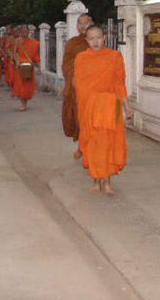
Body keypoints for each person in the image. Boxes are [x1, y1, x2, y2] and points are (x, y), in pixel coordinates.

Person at [75, 25, 133, 195]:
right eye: (91, 38)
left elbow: (119, 82)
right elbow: (79, 87)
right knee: (93, 143)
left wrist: (126, 105)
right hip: (90, 107)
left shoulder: (114, 56)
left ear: (104, 37)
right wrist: (83, 110)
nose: (95, 41)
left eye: (98, 37)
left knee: (109, 143)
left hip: (109, 106)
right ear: (86, 40)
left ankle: (107, 182)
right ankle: (95, 181)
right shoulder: (81, 58)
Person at [62, 14, 93, 159]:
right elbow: (67, 65)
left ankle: (89, 148)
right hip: (77, 89)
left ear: (92, 24)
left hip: (94, 88)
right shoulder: (72, 44)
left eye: (86, 23)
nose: (82, 26)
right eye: (80, 23)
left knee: (92, 120)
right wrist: (73, 76)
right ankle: (82, 147)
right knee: (80, 119)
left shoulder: (95, 42)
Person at [12, 25, 41, 111]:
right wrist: (17, 63)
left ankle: (26, 102)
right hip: (20, 67)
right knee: (20, 86)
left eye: (26, 32)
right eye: (23, 32)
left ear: (29, 32)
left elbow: (36, 56)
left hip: (29, 67)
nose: (24, 34)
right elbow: (14, 53)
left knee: (28, 87)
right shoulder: (17, 41)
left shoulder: (34, 43)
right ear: (20, 32)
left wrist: (39, 67)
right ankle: (23, 104)